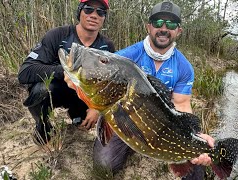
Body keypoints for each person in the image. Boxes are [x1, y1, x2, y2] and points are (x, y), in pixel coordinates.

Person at [89, 1, 215, 180]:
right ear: (149, 27)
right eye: (157, 23)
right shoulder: (126, 57)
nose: (163, 28)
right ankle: (129, 147)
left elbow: (181, 104)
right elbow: (102, 86)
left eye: (170, 24)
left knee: (195, 170)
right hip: (125, 120)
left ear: (179, 31)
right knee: (104, 166)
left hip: (163, 127)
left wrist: (196, 136)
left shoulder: (184, 67)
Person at [17, 0, 114, 145]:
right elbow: (25, 72)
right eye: (88, 9)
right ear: (79, 11)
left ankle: (76, 118)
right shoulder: (58, 35)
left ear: (104, 18)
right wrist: (64, 72)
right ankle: (43, 126)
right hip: (57, 89)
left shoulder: (106, 46)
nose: (94, 15)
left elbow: (110, 85)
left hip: (83, 95)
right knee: (42, 90)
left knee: (83, 123)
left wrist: (96, 109)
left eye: (100, 12)